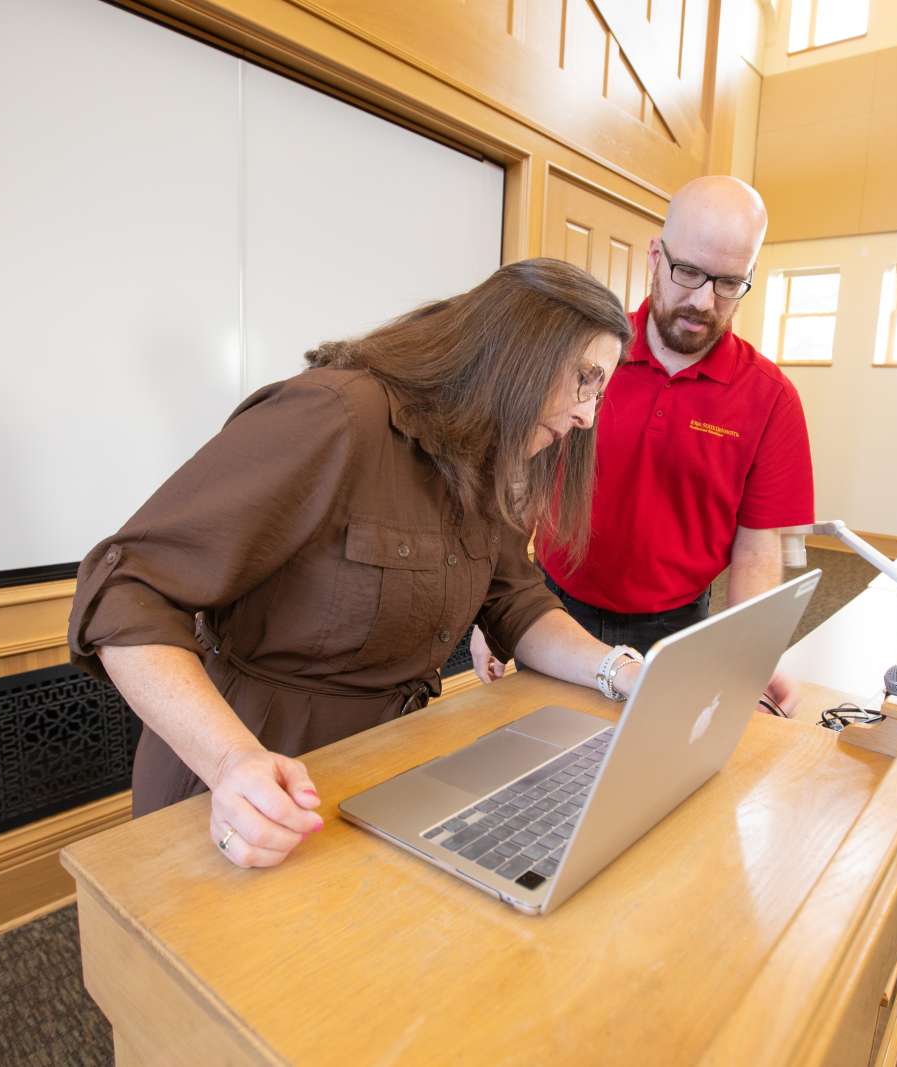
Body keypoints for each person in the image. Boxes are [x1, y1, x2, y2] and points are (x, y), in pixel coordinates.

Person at [68, 258, 651, 869]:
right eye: (584, 380)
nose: (588, 414)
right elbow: (125, 589)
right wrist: (231, 761)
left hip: (378, 775)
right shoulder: (334, 414)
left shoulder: (484, 454)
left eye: (600, 392)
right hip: (251, 785)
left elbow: (515, 601)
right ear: (517, 352)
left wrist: (620, 670)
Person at [472, 177, 813, 708]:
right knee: (542, 764)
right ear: (655, 255)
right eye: (688, 272)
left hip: (676, 626)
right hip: (553, 608)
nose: (702, 300)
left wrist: (751, 654)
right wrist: (492, 605)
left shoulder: (771, 398)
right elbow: (520, 485)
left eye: (728, 283)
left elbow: (758, 551)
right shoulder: (585, 356)